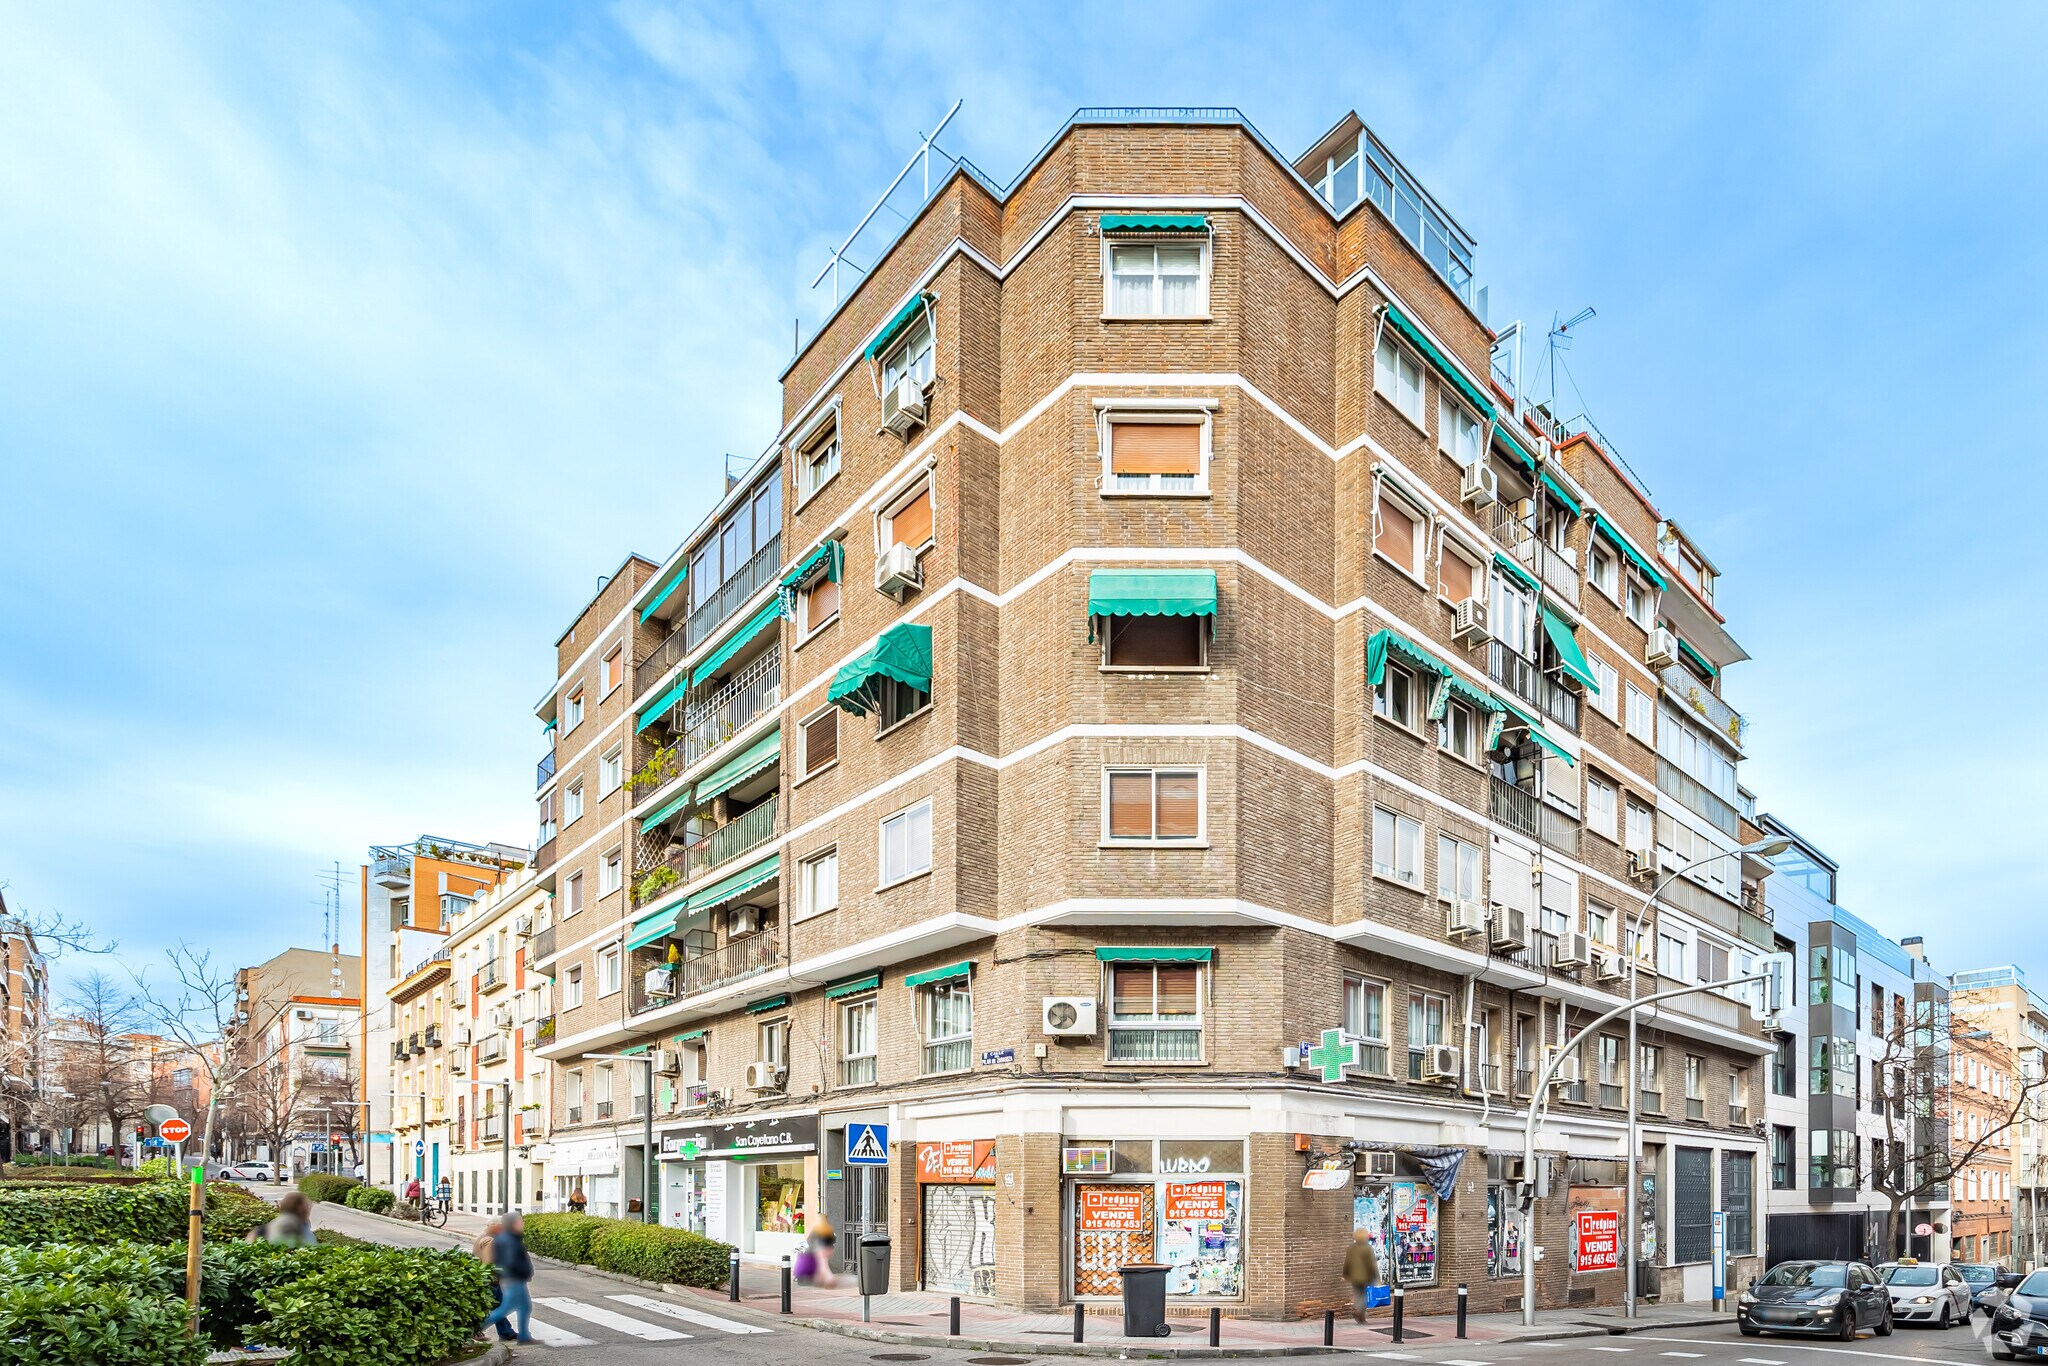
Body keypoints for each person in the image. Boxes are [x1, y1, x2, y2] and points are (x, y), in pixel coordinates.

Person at [477, 1212, 536, 1344]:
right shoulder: (507, 1239)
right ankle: (474, 1329)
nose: (522, 1224)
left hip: (515, 1278)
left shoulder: (510, 1237)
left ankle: (524, 1336)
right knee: (504, 1308)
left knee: (525, 1307)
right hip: (514, 1278)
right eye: (520, 1221)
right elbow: (510, 1261)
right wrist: (521, 1272)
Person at [472, 1219, 517, 1343]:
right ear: (494, 1227)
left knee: (498, 1306)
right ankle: (474, 1331)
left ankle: (506, 1332)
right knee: (496, 1307)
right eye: (500, 1228)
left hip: (485, 1278)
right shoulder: (490, 1241)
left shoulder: (481, 1237)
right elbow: (490, 1262)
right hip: (490, 1279)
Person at [248, 1191, 318, 1248]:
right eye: (307, 1205)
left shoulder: (300, 1222)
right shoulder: (289, 1223)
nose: (309, 1209)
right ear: (300, 1207)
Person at [1342, 1227, 1380, 1324]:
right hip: (1366, 1276)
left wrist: (1345, 1274)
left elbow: (1347, 1262)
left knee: (1358, 1295)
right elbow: (1372, 1264)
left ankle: (1360, 1315)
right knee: (1364, 1297)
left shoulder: (1351, 1247)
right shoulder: (1368, 1248)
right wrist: (1377, 1277)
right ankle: (1359, 1313)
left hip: (1354, 1277)